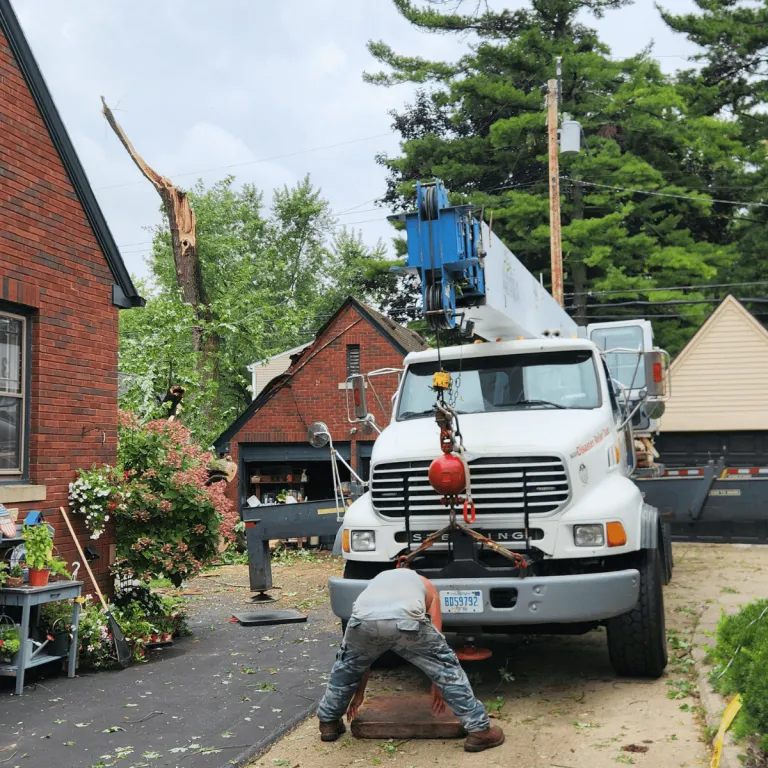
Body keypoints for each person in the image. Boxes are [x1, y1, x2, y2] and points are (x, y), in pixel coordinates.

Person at [317, 568, 505, 753]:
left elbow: (360, 663)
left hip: (362, 622)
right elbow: (437, 640)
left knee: (346, 667)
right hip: (406, 620)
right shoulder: (425, 584)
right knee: (446, 666)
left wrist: (359, 694)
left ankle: (328, 723)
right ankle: (480, 731)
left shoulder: (377, 582)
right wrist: (437, 681)